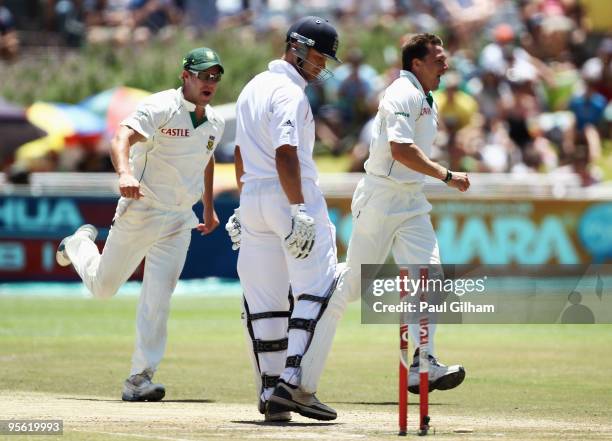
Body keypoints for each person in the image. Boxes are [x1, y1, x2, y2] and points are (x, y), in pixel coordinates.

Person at [299, 33, 471, 397]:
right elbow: (400, 149)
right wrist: (447, 175)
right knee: (354, 288)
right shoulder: (401, 93)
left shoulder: (426, 97)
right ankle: (304, 329)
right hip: (380, 198)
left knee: (431, 277)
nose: (445, 65)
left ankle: (422, 363)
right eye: (438, 59)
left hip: (411, 201)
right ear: (416, 63)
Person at [55, 47, 225, 401]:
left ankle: (139, 379)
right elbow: (122, 137)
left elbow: (205, 160)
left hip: (180, 218)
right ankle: (78, 244)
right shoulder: (161, 106)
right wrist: (125, 173)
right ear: (186, 77)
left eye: (215, 76)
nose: (210, 82)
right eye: (203, 75)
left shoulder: (215, 122)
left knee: (158, 297)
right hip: (142, 208)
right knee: (104, 288)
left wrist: (208, 208)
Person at [228, 16, 344, 422]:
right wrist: (298, 209)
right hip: (288, 193)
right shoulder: (289, 92)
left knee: (266, 300)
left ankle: (269, 390)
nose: (321, 65)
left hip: (254, 196)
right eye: (318, 56)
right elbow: (286, 153)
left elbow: (239, 153)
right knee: (320, 286)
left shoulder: (251, 88)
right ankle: (293, 384)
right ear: (296, 46)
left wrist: (245, 205)